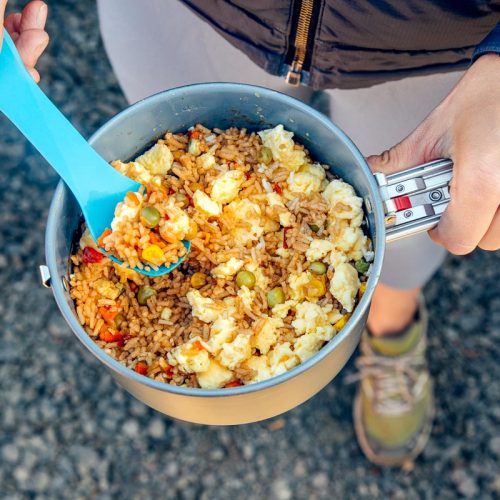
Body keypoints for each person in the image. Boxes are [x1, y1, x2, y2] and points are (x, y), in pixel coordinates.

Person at [4, 0, 499, 467]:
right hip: (190, 14)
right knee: (163, 109)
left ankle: (392, 320)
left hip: (429, 39)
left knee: (411, 224)